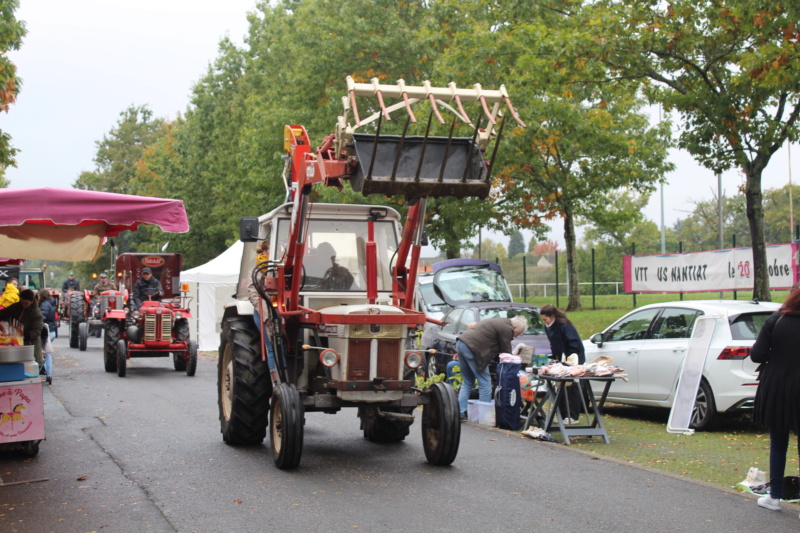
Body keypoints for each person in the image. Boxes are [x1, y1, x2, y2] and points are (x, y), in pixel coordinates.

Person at [750, 289, 800, 514]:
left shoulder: (776, 320)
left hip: (777, 389)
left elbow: (757, 355)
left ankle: (775, 496)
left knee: (778, 444)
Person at [455, 314, 527, 419]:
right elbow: (505, 353)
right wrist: (514, 361)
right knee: (485, 383)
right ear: (514, 327)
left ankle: (461, 412)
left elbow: (497, 348)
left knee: (467, 382)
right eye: (518, 334)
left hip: (461, 343)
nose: (516, 336)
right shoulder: (507, 328)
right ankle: (484, 416)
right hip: (472, 348)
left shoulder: (500, 322)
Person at [540, 304, 586, 424]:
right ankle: (562, 414)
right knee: (559, 386)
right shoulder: (549, 326)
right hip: (561, 359)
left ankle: (573, 416)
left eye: (546, 319)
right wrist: (556, 357)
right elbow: (553, 343)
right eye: (543, 319)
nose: (544, 321)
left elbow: (574, 343)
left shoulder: (564, 325)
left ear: (552, 316)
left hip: (572, 358)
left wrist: (570, 361)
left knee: (571, 386)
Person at [0, 289, 44, 367]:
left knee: (28, 366)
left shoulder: (36, 313)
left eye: (26, 303)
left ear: (32, 300)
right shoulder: (17, 307)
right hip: (17, 343)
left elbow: (37, 331)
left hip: (30, 344)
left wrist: (24, 334)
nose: (24, 305)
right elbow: (4, 313)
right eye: (22, 302)